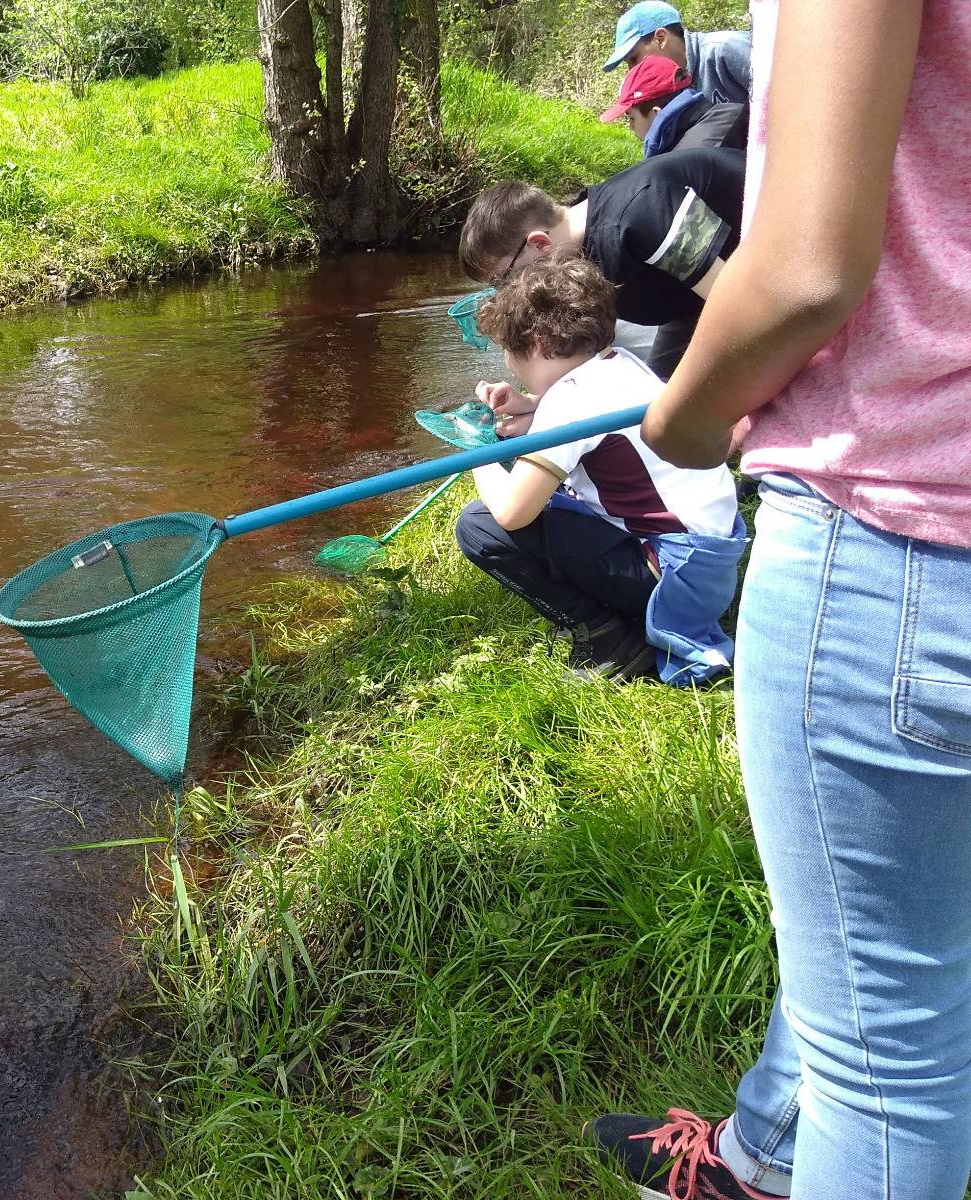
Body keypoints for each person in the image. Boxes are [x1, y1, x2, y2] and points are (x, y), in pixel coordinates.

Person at [583, 0, 971, 1196]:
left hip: (897, 526)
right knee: (901, 956)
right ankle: (758, 1153)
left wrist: (682, 420)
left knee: (892, 1067)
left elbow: (804, 271)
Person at [453, 257, 743, 685]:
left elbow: (512, 513)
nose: (511, 368)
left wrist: (475, 450)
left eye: (511, 354)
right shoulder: (620, 363)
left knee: (479, 526)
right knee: (547, 492)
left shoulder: (569, 401)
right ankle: (625, 621)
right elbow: (596, 427)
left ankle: (608, 637)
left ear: (535, 343)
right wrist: (532, 408)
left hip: (673, 580)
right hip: (708, 566)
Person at [458, 145, 746, 379]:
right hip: (694, 304)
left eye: (504, 279)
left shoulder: (639, 217)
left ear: (539, 243)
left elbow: (738, 305)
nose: (507, 293)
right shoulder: (584, 256)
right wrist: (541, 404)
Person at [604, 0, 752, 105]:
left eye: (634, 59)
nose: (633, 71)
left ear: (660, 38)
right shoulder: (676, 84)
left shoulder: (725, 50)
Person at [599, 54, 749, 155]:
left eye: (631, 118)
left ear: (656, 114)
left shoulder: (683, 160)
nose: (630, 126)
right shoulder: (735, 111)